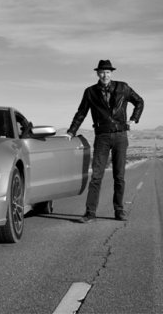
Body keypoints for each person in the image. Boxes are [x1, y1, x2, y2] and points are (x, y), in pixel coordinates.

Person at [66, 59, 144, 222]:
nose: (105, 75)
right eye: (102, 72)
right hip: (102, 137)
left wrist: (133, 119)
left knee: (119, 176)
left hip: (120, 136)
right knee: (96, 176)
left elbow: (139, 101)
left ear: (112, 73)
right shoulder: (90, 92)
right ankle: (90, 213)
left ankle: (119, 210)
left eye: (108, 72)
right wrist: (71, 131)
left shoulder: (123, 87)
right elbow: (81, 112)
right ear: (97, 73)